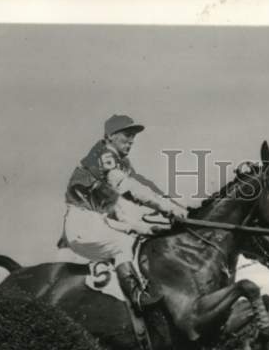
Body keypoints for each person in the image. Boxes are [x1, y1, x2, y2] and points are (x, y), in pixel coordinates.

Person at [61, 114, 188, 309]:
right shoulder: (104, 155)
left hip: (97, 222)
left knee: (139, 239)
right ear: (110, 135)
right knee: (123, 244)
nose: (131, 140)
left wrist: (146, 227)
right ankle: (138, 298)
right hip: (83, 223)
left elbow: (120, 208)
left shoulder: (120, 162)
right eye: (127, 134)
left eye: (133, 136)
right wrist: (169, 208)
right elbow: (130, 188)